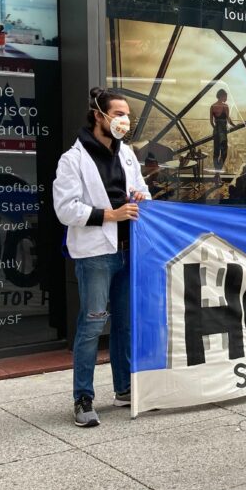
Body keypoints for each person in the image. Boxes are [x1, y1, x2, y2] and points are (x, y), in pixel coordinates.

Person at [53, 87, 149, 428]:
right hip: (95, 254)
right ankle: (83, 397)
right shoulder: (73, 159)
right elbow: (65, 210)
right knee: (93, 324)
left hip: (127, 251)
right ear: (99, 115)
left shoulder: (127, 155)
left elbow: (142, 192)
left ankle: (123, 388)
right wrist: (112, 214)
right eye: (118, 114)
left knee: (124, 323)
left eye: (127, 115)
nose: (124, 121)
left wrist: (139, 195)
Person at [209, 89, 236, 172]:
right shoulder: (225, 106)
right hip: (223, 132)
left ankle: (217, 173)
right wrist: (234, 125)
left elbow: (211, 121)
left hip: (216, 131)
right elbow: (228, 120)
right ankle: (217, 173)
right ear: (222, 96)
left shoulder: (212, 106)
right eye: (225, 96)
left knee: (216, 153)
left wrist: (215, 128)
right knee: (224, 152)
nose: (226, 98)